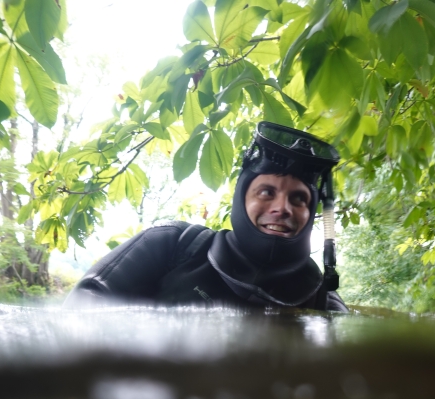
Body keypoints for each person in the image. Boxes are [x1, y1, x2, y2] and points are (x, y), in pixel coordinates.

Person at [65, 122, 347, 312]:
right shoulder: (171, 244)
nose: (283, 207)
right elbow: (84, 305)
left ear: (312, 214)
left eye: (299, 198)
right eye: (266, 192)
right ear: (241, 198)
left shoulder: (321, 300)